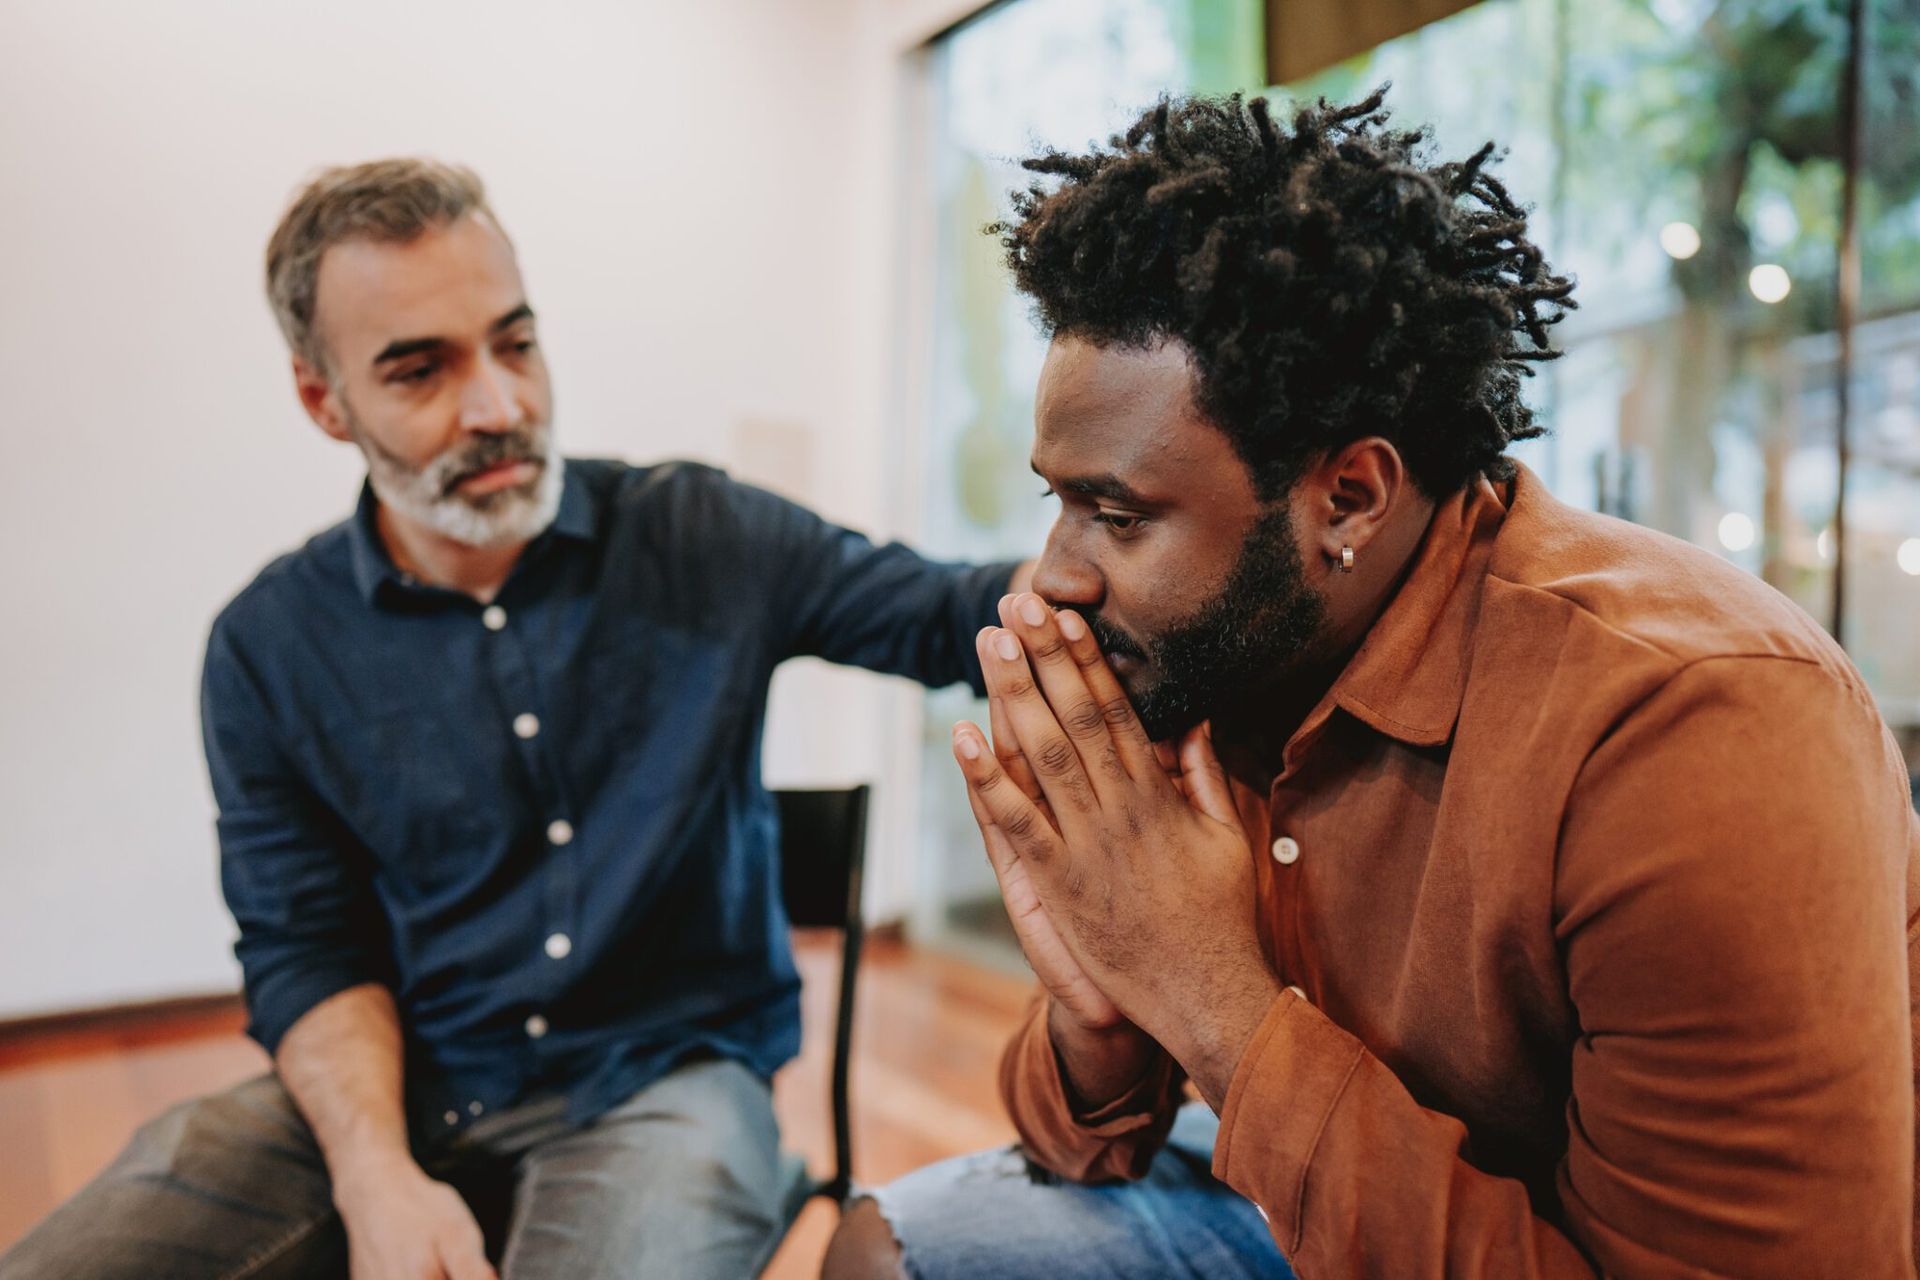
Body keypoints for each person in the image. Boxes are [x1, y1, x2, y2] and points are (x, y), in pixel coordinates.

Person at [827, 90, 1919, 1278]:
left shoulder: (1699, 722)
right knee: (881, 1255)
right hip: (1316, 1192)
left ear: (1348, 496)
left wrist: (1201, 992)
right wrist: (1100, 1005)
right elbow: (1074, 1148)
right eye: (1059, 500)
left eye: (1116, 512)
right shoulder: (1217, 658)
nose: (1053, 577)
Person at [0, 159, 1025, 1280]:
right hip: (407, 1076)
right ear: (322, 399)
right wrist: (375, 1173)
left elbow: (951, 614)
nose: (499, 407)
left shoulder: (699, 533)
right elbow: (304, 946)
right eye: (419, 369)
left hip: (668, 1080)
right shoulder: (268, 646)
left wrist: (1150, 532)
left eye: (516, 342)